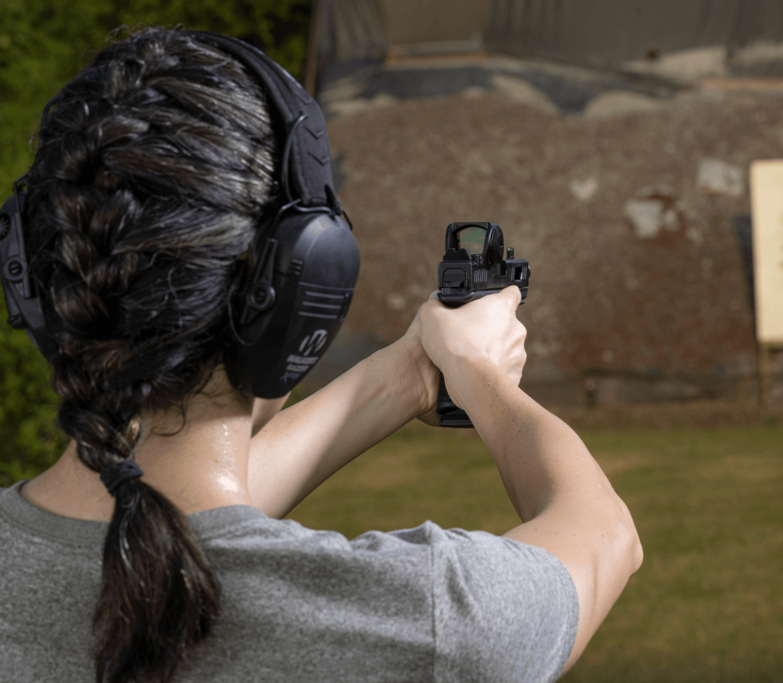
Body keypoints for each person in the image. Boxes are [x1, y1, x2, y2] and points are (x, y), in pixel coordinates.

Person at [0, 28, 642, 683]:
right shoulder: (431, 625)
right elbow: (605, 533)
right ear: (304, 290)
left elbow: (158, 505)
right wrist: (479, 374)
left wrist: (405, 376)